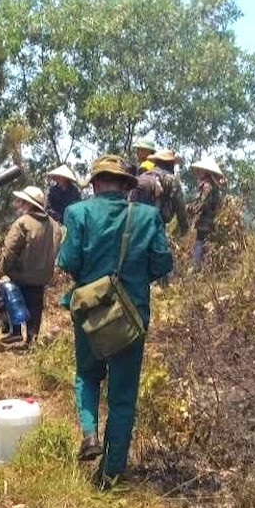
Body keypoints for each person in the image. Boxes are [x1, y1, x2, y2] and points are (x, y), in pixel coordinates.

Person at [57, 155, 172, 484]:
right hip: (131, 318)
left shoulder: (77, 212)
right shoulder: (148, 216)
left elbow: (68, 261)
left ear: (95, 183)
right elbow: (163, 264)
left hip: (90, 313)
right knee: (122, 397)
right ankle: (109, 474)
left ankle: (90, 434)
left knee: (87, 375)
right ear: (126, 185)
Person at [0, 186, 61, 346]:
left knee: (7, 290)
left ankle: (15, 331)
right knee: (36, 304)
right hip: (42, 276)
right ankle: (32, 337)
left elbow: (9, 252)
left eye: (21, 201)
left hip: (21, 275)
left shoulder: (22, 223)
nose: (18, 204)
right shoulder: (55, 226)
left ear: (27, 204)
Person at [137, 149, 189, 235]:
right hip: (158, 223)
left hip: (138, 220)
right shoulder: (171, 179)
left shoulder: (144, 175)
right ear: (170, 164)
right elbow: (180, 205)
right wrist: (185, 228)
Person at [189, 156, 225, 269]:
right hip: (209, 220)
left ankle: (196, 267)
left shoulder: (207, 186)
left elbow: (201, 204)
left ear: (206, 171)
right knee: (204, 243)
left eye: (200, 169)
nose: (198, 172)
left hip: (205, 220)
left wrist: (190, 209)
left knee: (199, 242)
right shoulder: (212, 185)